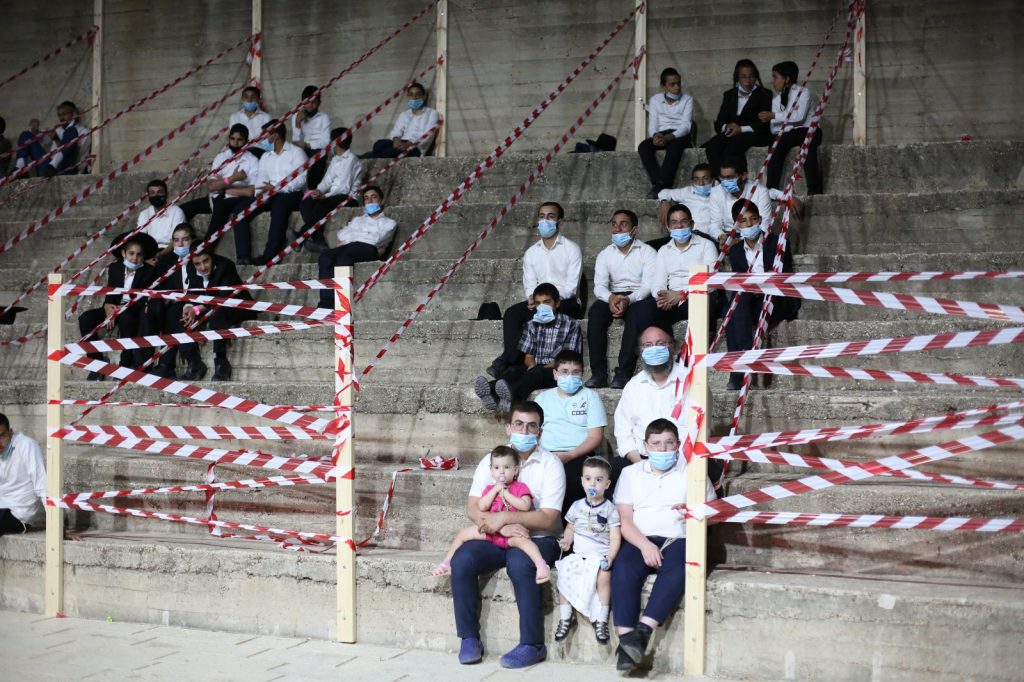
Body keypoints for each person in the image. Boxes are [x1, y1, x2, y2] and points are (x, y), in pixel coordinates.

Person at [448, 401, 566, 668]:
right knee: (463, 559)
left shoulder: (551, 464)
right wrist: (501, 526)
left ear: (540, 431)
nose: (524, 431)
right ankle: (469, 638)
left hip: (540, 538)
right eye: (519, 424)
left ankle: (533, 645)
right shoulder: (492, 461)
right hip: (498, 535)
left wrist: (505, 518)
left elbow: (548, 517)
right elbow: (473, 507)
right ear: (508, 427)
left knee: (520, 562)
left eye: (532, 426)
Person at [611, 419, 714, 672]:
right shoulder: (630, 473)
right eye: (656, 444)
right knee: (623, 570)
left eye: (669, 443)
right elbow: (624, 519)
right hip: (640, 537)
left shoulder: (693, 472)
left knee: (680, 567)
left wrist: (694, 513)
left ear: (678, 445)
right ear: (645, 446)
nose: (663, 449)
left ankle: (643, 632)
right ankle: (626, 638)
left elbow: (713, 513)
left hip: (679, 537)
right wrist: (645, 545)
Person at [486, 202, 583, 379]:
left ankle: (507, 362)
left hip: (564, 301)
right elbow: (529, 283)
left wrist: (548, 300)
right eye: (542, 216)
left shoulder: (572, 249)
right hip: (539, 300)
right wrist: (532, 298)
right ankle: (510, 358)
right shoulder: (531, 252)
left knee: (536, 314)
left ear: (560, 222)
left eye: (551, 217)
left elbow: (571, 287)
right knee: (512, 313)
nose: (545, 220)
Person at [431, 446, 552, 584]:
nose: (502, 471)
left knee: (525, 543)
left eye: (507, 467)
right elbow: (482, 506)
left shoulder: (520, 487)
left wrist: (506, 494)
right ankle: (447, 562)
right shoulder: (490, 489)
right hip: (492, 533)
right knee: (463, 533)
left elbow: (525, 506)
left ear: (515, 470)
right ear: (491, 471)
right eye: (497, 468)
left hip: (512, 534)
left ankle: (541, 565)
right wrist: (495, 490)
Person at [724, 199, 800, 390]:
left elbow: (784, 277)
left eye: (753, 219)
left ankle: (740, 366)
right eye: (743, 221)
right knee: (731, 309)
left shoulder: (778, 243)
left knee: (737, 307)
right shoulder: (735, 252)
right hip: (751, 301)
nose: (749, 224)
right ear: (736, 225)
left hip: (777, 298)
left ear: (759, 219)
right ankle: (746, 355)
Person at [475, 283, 582, 414]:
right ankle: (490, 390)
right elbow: (529, 357)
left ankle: (513, 397)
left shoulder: (571, 325)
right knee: (513, 370)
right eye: (538, 303)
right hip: (536, 367)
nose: (542, 307)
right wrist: (531, 365)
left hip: (559, 372)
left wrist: (537, 368)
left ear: (557, 303)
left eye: (547, 302)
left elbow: (567, 360)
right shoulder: (531, 324)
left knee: (537, 373)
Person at [553, 455, 621, 645]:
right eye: (589, 479)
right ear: (582, 482)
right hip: (579, 555)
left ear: (607, 484)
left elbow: (615, 536)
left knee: (604, 576)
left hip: (599, 556)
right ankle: (565, 616)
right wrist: (567, 540)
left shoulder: (610, 509)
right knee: (564, 572)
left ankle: (602, 619)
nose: (593, 484)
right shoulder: (577, 506)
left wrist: (611, 556)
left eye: (598, 480)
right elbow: (570, 527)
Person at [586, 209, 657, 389]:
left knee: (637, 315)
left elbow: (648, 286)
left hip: (638, 296)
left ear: (634, 230)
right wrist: (611, 298)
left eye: (623, 224)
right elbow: (599, 286)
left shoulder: (647, 252)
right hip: (614, 295)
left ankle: (623, 374)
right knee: (595, 312)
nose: (617, 229)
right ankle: (598, 374)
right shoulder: (605, 254)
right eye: (614, 224)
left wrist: (628, 300)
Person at [533, 350, 607, 514]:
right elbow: (534, 432)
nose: (570, 376)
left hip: (579, 455)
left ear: (582, 374)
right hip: (546, 454)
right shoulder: (542, 399)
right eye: (564, 372)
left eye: (575, 372)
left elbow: (596, 436)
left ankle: (569, 525)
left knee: (569, 479)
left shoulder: (591, 397)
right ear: (555, 374)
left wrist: (570, 455)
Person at [78, 237, 161, 379]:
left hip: (133, 308)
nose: (135, 258)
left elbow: (144, 299)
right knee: (86, 318)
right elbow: (111, 292)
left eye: (139, 254)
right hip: (115, 307)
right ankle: (97, 363)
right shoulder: (115, 268)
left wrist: (121, 310)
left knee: (127, 319)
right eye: (131, 253)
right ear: (124, 253)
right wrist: (108, 308)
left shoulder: (149, 271)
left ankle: (125, 364)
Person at [631, 203, 719, 338]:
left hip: (698, 297)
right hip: (670, 300)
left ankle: (694, 351)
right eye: (674, 222)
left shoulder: (706, 245)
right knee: (641, 309)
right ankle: (659, 346)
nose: (679, 226)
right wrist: (662, 296)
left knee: (699, 304)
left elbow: (711, 281)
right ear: (668, 226)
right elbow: (658, 282)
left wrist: (682, 295)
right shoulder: (663, 251)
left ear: (692, 224)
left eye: (683, 221)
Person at [231, 119, 307, 265]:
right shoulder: (266, 156)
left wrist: (276, 188)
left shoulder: (297, 153)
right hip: (269, 193)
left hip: (291, 194)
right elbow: (261, 180)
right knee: (240, 209)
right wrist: (262, 194)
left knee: (279, 205)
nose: (263, 140)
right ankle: (243, 256)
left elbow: (300, 180)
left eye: (265, 136)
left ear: (275, 136)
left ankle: (270, 256)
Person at [315, 185, 395, 308]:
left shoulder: (389, 223)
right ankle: (326, 302)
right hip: (350, 246)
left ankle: (340, 303)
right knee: (325, 256)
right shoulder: (358, 220)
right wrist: (365, 235)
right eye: (366, 198)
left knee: (344, 258)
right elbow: (341, 234)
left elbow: (375, 239)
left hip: (368, 249)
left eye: (374, 197)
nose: (370, 201)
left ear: (381, 200)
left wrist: (352, 236)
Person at [179, 124, 259, 244]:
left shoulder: (253, 161)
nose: (235, 143)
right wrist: (232, 179)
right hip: (215, 197)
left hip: (237, 199)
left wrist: (224, 188)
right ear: (228, 139)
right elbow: (211, 186)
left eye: (239, 140)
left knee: (221, 207)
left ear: (246, 141)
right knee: (181, 211)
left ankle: (206, 248)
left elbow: (250, 191)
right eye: (232, 139)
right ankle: (185, 241)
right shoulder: (221, 157)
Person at [759, 60, 823, 195]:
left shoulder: (803, 92)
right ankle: (772, 190)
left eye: (775, 77)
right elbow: (774, 128)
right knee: (775, 144)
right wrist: (783, 119)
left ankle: (814, 190)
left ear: (786, 79)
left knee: (808, 143)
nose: (773, 81)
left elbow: (799, 117)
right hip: (791, 133)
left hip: (809, 130)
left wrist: (774, 116)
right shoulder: (776, 100)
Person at [702, 59, 773, 178]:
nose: (748, 80)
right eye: (744, 77)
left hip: (754, 133)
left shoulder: (764, 94)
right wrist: (727, 127)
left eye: (751, 76)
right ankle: (720, 180)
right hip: (732, 133)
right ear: (737, 78)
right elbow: (719, 122)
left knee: (734, 147)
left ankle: (739, 180)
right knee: (712, 146)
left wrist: (740, 129)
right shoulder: (729, 95)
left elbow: (763, 124)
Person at [299, 126, 363, 253]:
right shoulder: (335, 159)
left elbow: (343, 188)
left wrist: (325, 196)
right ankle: (319, 241)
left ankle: (301, 235)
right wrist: (318, 191)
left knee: (322, 204)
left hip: (349, 197)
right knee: (306, 203)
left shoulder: (351, 160)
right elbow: (327, 181)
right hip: (335, 195)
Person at [638, 67, 694, 198]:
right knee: (644, 146)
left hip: (680, 134)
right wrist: (655, 135)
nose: (677, 87)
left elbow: (686, 126)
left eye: (679, 83)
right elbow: (653, 124)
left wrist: (670, 137)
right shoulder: (655, 100)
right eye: (672, 84)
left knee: (674, 147)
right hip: (662, 133)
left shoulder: (687, 99)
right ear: (663, 86)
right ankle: (659, 183)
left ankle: (661, 185)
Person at [707, 156, 772, 245]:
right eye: (722, 177)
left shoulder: (760, 191)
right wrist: (722, 237)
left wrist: (739, 241)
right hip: (728, 236)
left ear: (744, 175)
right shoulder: (716, 192)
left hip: (755, 235)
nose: (725, 181)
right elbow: (714, 224)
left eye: (730, 177)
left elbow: (765, 223)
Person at [0, 414, 47, 536]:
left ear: (10, 432)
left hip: (18, 514)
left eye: (2, 436)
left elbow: (42, 486)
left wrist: (59, 527)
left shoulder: (27, 445)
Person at [654, 163, 717, 248]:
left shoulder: (719, 193)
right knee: (651, 246)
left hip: (705, 237)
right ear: (692, 181)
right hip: (684, 234)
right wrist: (664, 202)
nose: (701, 183)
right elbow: (664, 192)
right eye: (696, 179)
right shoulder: (687, 192)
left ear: (713, 180)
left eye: (705, 178)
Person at [18, 101, 90, 176]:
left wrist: (57, 140)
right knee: (26, 135)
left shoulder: (83, 131)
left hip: (65, 168)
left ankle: (52, 166)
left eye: (64, 114)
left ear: (74, 114)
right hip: (48, 168)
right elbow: (42, 140)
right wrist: (34, 131)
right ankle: (19, 169)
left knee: (71, 130)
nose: (61, 118)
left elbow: (78, 156)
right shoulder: (57, 130)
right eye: (59, 115)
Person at [371, 82, 439, 158]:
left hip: (415, 147)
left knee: (388, 152)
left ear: (424, 97)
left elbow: (427, 136)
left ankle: (374, 154)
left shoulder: (432, 113)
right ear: (408, 97)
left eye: (418, 94)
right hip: (401, 143)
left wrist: (408, 144)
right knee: (379, 144)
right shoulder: (404, 114)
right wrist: (396, 140)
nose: (414, 97)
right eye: (411, 95)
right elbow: (396, 131)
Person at [292, 85, 332, 188]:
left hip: (317, 149)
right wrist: (298, 123)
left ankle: (312, 189)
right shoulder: (296, 116)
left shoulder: (324, 117)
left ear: (319, 103)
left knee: (320, 155)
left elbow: (326, 142)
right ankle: (298, 188)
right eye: (307, 102)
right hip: (301, 149)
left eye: (313, 102)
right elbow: (296, 141)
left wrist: (307, 145)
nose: (310, 105)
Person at [137, 179, 187, 252]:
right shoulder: (144, 214)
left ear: (167, 194)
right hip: (150, 251)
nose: (156, 195)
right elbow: (140, 238)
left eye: (160, 192)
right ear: (148, 196)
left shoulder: (177, 212)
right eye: (152, 193)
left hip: (170, 250)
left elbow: (177, 240)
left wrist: (161, 254)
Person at [228, 85, 272, 150]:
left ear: (259, 99)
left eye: (253, 97)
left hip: (259, 151)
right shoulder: (234, 117)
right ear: (242, 99)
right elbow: (233, 138)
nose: (249, 100)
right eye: (246, 97)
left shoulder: (266, 117)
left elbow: (268, 141)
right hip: (239, 151)